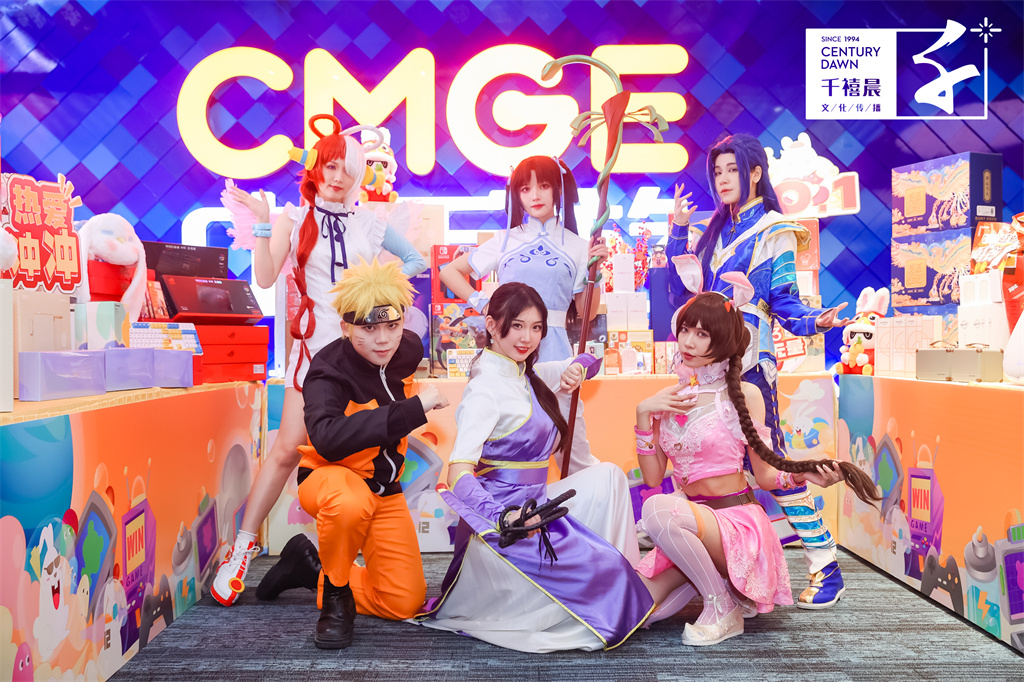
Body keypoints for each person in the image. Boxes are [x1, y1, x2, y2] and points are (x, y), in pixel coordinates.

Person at [211, 114, 427, 607]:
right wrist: (263, 222)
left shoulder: (371, 222)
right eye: (330, 166)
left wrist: (378, 292)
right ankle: (242, 549)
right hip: (313, 357)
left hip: (365, 355)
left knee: (365, 449)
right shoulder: (295, 218)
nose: (337, 177)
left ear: (358, 175)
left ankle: (347, 561)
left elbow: (416, 261)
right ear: (316, 168)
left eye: (347, 169)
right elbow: (265, 277)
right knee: (287, 449)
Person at [635, 269, 880, 645]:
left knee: (656, 509)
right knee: (633, 608)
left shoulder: (743, 394)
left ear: (724, 340)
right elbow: (653, 478)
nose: (689, 341)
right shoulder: (668, 399)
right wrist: (643, 415)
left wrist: (803, 475)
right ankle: (720, 589)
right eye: (685, 330)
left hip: (738, 529)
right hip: (688, 527)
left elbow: (764, 476)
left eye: (702, 334)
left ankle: (722, 606)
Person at [665, 133, 853, 608]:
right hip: (706, 365)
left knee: (767, 468)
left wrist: (818, 320)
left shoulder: (773, 229)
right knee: (717, 469)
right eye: (717, 171)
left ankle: (825, 564)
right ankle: (733, 569)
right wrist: (678, 233)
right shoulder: (713, 232)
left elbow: (785, 299)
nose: (723, 179)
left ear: (754, 173)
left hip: (748, 360)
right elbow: (680, 297)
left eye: (732, 169)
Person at [415, 282, 656, 652]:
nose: (527, 337)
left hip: (537, 505)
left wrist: (578, 369)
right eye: (517, 326)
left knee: (608, 476)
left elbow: (590, 359)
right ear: (492, 325)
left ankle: (623, 578)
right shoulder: (485, 388)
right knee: (600, 554)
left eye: (536, 327)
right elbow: (458, 474)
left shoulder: (525, 373)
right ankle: (608, 588)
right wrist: (504, 519)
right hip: (505, 527)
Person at [293, 258, 449, 648]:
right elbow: (326, 438)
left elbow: (403, 344)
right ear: (345, 327)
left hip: (383, 490)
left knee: (404, 601)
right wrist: (413, 409)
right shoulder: (327, 372)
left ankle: (308, 568)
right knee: (350, 501)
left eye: (392, 326)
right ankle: (336, 596)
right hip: (329, 479)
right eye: (368, 328)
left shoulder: (406, 349)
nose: (383, 340)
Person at [438, 156, 608, 474]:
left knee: (573, 453)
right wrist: (484, 304)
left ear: (558, 190)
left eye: (543, 185)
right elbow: (449, 271)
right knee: (499, 444)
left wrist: (595, 273)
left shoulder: (579, 246)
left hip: (555, 353)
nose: (535, 195)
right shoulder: (504, 240)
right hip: (506, 354)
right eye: (525, 188)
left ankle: (588, 500)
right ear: (516, 194)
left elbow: (586, 313)